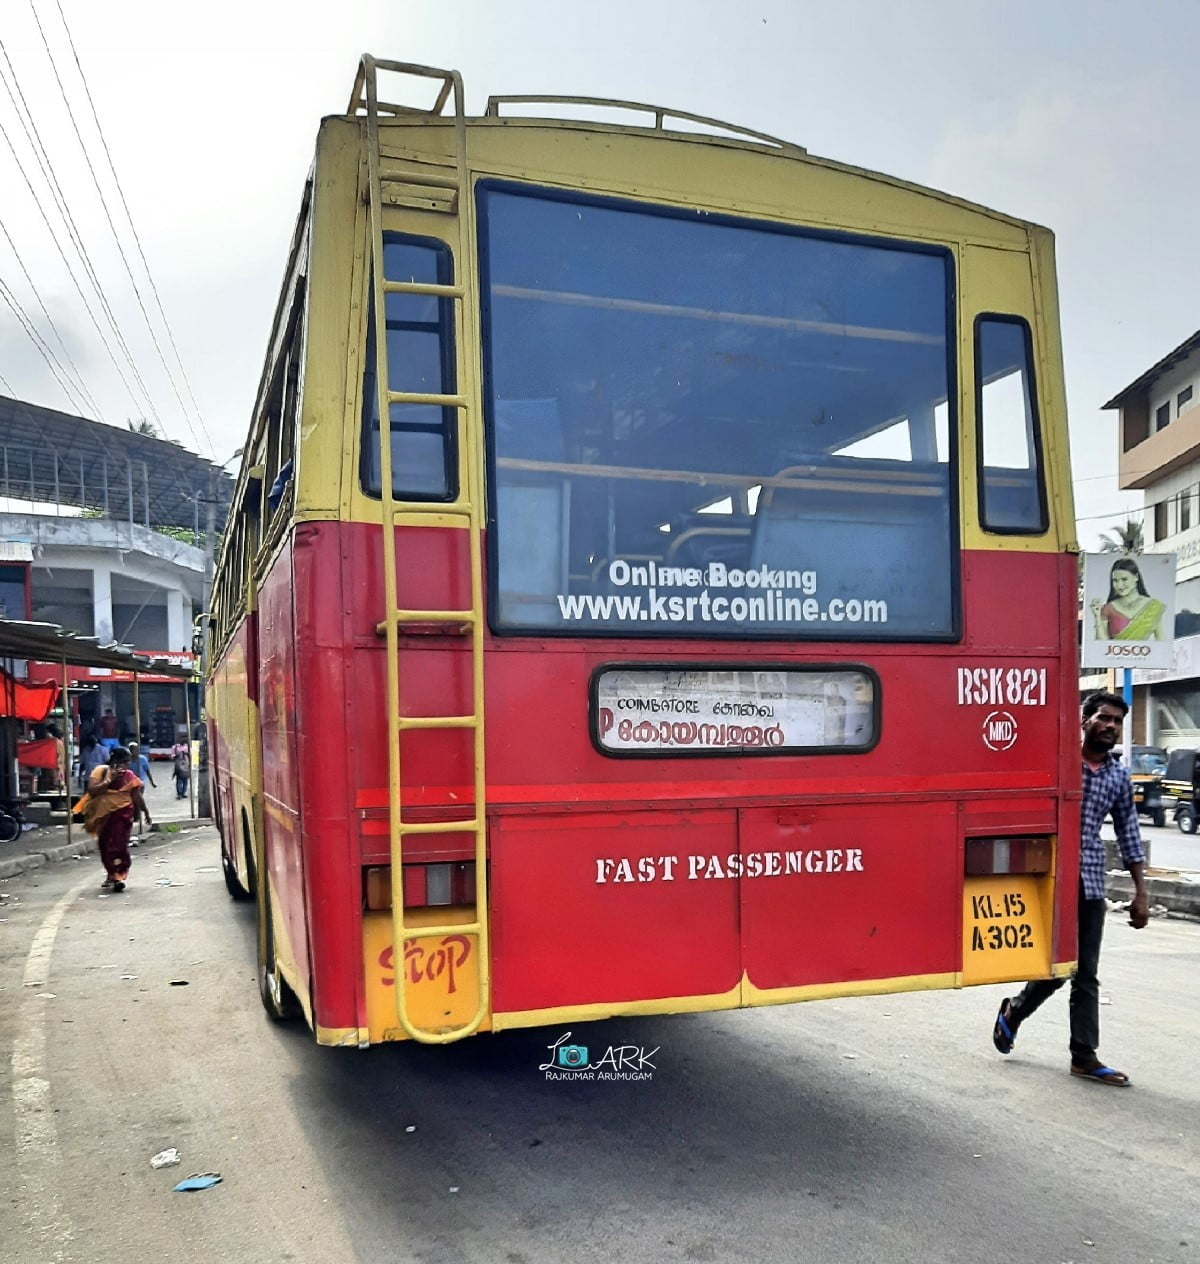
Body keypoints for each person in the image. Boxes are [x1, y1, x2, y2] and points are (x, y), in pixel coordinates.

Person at [991, 691, 1149, 1086]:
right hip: (1045, 874)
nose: (1110, 726)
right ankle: (1014, 1012)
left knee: (1086, 972)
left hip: (1091, 878)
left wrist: (1140, 892)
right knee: (1057, 967)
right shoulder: (1058, 763)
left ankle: (1084, 1055)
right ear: (1085, 720)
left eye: (1117, 721)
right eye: (1103, 718)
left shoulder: (1118, 775)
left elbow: (1129, 834)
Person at [72, 746, 151, 893]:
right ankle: (111, 873)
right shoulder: (100, 772)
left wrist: (145, 812)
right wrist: (109, 781)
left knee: (119, 846)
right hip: (103, 815)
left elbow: (136, 796)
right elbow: (92, 791)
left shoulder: (129, 776)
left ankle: (118, 876)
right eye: (123, 762)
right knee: (105, 846)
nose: (126, 766)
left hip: (123, 815)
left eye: (128, 762)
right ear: (114, 761)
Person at [1090, 557, 1165, 642]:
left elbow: (1161, 641)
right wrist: (1097, 616)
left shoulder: (1152, 606)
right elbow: (1101, 645)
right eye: (1115, 580)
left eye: (1124, 579)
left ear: (1136, 577)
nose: (1119, 585)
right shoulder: (1108, 609)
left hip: (1144, 654)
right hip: (1115, 655)